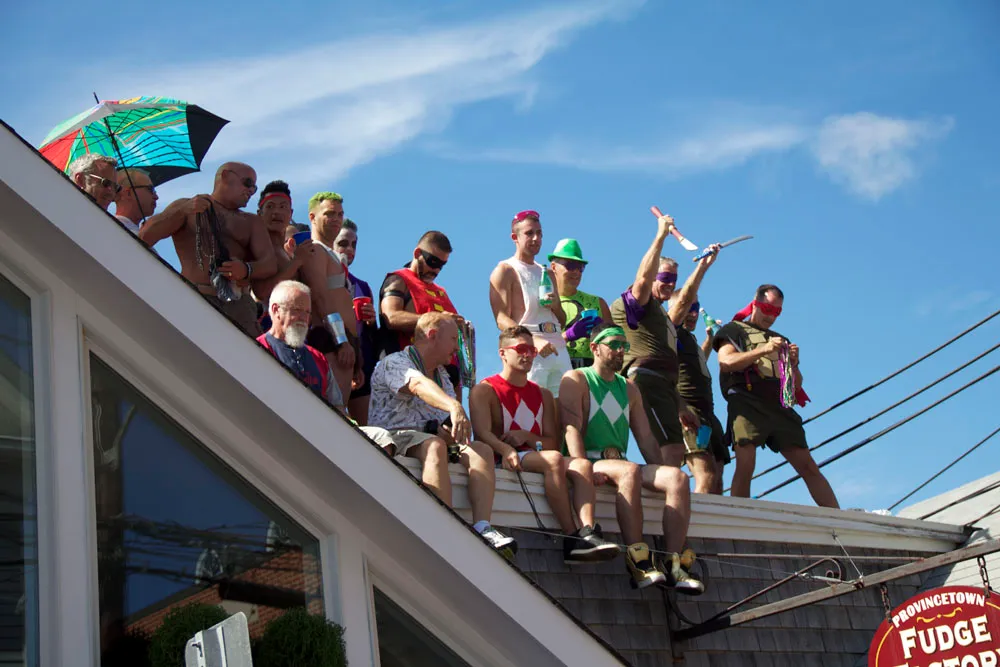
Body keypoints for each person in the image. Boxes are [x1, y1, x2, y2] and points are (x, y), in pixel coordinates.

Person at [558, 323, 704, 593]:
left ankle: (674, 563)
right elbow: (571, 429)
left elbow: (646, 438)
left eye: (623, 345)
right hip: (591, 460)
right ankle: (639, 560)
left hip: (621, 462)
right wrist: (584, 469)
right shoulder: (577, 379)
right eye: (614, 344)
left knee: (678, 478)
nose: (620, 351)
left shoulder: (629, 388)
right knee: (629, 471)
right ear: (595, 348)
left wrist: (660, 472)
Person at [368, 312, 517, 556]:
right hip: (395, 436)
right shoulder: (395, 361)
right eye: (453, 340)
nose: (457, 349)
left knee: (481, 450)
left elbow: (448, 424)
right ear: (432, 335)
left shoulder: (443, 376)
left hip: (428, 438)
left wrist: (451, 431)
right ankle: (444, 527)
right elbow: (417, 385)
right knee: (434, 445)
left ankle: (483, 527)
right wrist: (454, 406)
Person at [469, 325, 619, 563]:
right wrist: (506, 448)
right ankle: (571, 537)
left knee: (582, 465)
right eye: (521, 349)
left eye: (532, 350)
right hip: (503, 459)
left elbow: (551, 442)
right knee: (554, 459)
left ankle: (588, 531)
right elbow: (481, 433)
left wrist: (526, 436)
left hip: (537, 456)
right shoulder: (484, 390)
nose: (528, 355)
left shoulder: (544, 395)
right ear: (503, 353)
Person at [609, 211, 721, 471]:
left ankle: (668, 492)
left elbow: (685, 301)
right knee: (669, 453)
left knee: (674, 453)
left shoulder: (662, 317)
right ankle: (662, 494)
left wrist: (680, 405)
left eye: (674, 280)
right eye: (665, 279)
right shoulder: (637, 302)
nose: (671, 285)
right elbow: (644, 281)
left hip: (665, 385)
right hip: (645, 379)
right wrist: (661, 236)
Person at [714, 285, 840, 508]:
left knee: (808, 465)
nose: (771, 316)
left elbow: (795, 386)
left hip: (779, 405)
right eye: (767, 309)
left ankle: (837, 518)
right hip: (747, 401)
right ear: (755, 304)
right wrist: (763, 350)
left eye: (776, 312)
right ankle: (741, 517)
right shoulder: (733, 329)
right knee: (746, 463)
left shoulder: (781, 339)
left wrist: (793, 364)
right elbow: (726, 362)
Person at [139, 162, 277, 336]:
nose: (250, 191)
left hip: (238, 306)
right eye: (248, 183)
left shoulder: (251, 222)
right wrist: (182, 211)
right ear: (226, 176)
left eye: (254, 188)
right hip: (195, 298)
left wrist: (246, 269)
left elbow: (269, 264)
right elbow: (145, 236)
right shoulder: (187, 206)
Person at [489, 210, 569, 397]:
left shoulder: (547, 273)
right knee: (534, 405)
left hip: (558, 347)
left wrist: (556, 306)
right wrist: (531, 341)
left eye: (539, 233)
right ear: (514, 237)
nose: (536, 238)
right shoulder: (505, 270)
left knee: (566, 408)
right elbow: (501, 319)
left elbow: (562, 320)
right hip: (530, 349)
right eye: (529, 233)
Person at [378, 231, 465, 397]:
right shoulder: (398, 280)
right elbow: (391, 317)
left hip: (445, 377)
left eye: (442, 265)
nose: (436, 270)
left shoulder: (441, 292)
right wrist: (438, 320)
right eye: (433, 262)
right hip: (409, 375)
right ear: (417, 253)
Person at [300, 192, 359, 404]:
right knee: (332, 409)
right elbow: (319, 295)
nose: (336, 219)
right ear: (312, 217)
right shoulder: (315, 250)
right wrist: (340, 340)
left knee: (340, 408)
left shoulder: (330, 253)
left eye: (340, 214)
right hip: (329, 338)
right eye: (329, 214)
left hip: (344, 341)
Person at [675, 298, 730, 494]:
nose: (693, 314)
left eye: (696, 309)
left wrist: (709, 340)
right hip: (689, 409)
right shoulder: (670, 334)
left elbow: (699, 362)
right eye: (688, 308)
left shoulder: (690, 338)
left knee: (717, 481)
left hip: (708, 412)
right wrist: (680, 406)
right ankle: (690, 516)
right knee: (706, 475)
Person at [334, 219, 379, 424]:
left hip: (360, 366)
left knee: (365, 429)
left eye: (354, 244)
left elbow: (370, 335)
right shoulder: (318, 275)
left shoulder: (362, 285)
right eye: (343, 243)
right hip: (332, 357)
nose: (350, 249)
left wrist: (371, 321)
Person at [250, 180, 317, 315]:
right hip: (269, 321)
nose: (276, 212)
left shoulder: (287, 253)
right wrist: (296, 262)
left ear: (290, 213)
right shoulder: (257, 247)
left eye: (283, 207)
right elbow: (261, 293)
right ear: (259, 213)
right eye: (270, 206)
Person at [548, 238, 612, 369]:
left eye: (580, 267)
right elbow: (537, 344)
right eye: (570, 265)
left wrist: (604, 333)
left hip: (591, 372)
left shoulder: (598, 303)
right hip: (556, 370)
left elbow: (615, 343)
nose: (576, 272)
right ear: (554, 267)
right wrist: (568, 335)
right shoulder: (545, 301)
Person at [114, 167, 159, 235]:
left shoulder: (109, 227)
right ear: (128, 193)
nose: (156, 197)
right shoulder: (113, 231)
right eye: (150, 189)